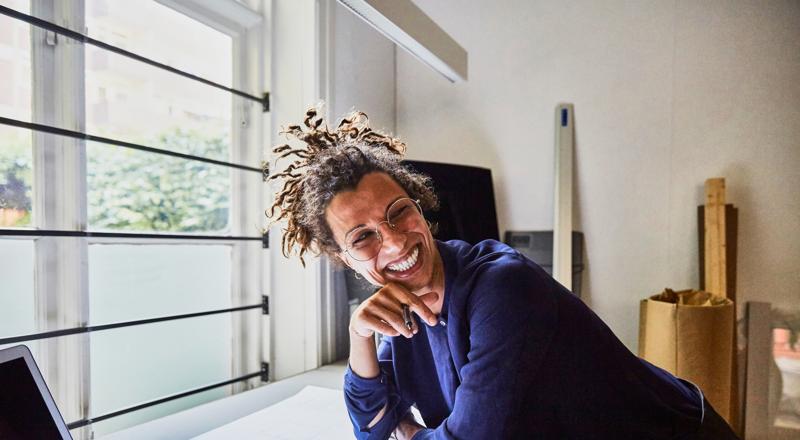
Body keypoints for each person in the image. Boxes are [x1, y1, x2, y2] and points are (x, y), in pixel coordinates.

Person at [267, 108, 739, 439]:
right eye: (363, 237)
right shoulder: (401, 309)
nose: (393, 240)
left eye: (399, 212)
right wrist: (360, 336)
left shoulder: (503, 287)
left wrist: (408, 434)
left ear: (421, 208)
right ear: (345, 259)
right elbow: (371, 429)